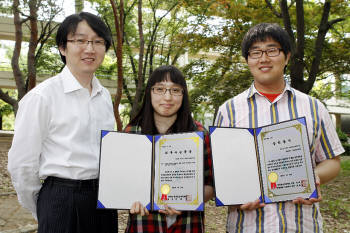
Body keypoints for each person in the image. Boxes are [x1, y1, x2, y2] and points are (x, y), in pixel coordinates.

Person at [215, 23, 344, 233]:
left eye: (272, 50)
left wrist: (312, 178)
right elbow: (221, 171)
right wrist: (234, 196)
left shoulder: (313, 107)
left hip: (302, 225)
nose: (263, 58)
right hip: (247, 226)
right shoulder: (228, 111)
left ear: (287, 56)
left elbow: (332, 161)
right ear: (247, 60)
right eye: (255, 52)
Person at [8, 12, 117, 233]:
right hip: (62, 199)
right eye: (80, 40)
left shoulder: (104, 95)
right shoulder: (42, 97)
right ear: (62, 47)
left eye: (98, 42)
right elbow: (21, 164)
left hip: (104, 201)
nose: (90, 48)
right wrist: (44, 205)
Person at [124, 65, 214, 233]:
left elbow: (210, 185)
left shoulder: (199, 134)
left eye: (175, 90)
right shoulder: (132, 132)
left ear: (183, 95)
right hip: (144, 225)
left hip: (187, 224)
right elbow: (122, 181)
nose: (167, 97)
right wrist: (129, 199)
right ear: (149, 93)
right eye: (159, 89)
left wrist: (188, 200)